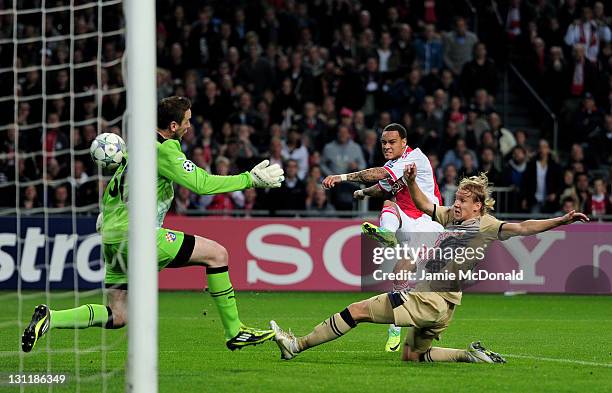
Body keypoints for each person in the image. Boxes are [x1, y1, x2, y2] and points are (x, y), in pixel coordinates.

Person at [22, 96, 285, 353]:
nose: (189, 126)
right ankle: (235, 331)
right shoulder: (165, 149)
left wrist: (107, 215)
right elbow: (202, 184)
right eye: (187, 121)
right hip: (139, 236)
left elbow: (117, 185)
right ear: (173, 126)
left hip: (112, 239)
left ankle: (51, 318)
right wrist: (250, 179)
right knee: (217, 255)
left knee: (118, 314)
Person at [272, 165, 588, 363]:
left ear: (478, 206)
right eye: (457, 198)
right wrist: (410, 182)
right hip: (443, 305)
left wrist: (561, 219)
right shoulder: (451, 216)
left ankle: (295, 345)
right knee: (414, 355)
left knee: (356, 311)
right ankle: (470, 354)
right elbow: (424, 205)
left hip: (428, 298)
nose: (457, 204)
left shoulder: (487, 225)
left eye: (463, 200)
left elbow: (524, 227)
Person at [321, 123, 443, 353]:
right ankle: (386, 234)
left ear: (404, 142)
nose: (387, 146)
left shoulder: (415, 157)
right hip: (408, 220)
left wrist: (342, 177)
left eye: (392, 142)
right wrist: (363, 192)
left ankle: (399, 324)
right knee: (389, 204)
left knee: (403, 271)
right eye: (384, 143)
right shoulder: (394, 165)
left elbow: (380, 174)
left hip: (428, 225)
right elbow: (383, 186)